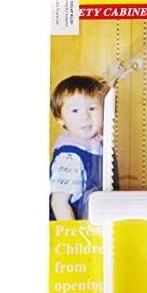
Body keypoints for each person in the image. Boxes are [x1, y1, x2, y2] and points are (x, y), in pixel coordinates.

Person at [49, 75, 107, 220]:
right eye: (75, 110)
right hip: (72, 228)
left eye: (92, 108)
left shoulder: (96, 141)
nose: (85, 117)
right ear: (60, 118)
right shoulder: (69, 157)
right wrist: (72, 233)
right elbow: (59, 203)